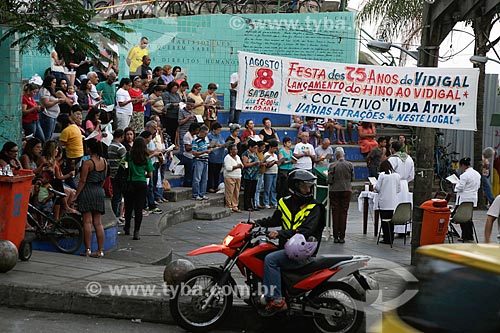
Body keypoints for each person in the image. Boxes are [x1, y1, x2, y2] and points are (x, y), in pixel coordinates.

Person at [256, 169, 325, 315]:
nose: (308, 189)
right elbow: (275, 220)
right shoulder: (284, 202)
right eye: (304, 186)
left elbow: (306, 230)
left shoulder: (315, 207)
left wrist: (280, 233)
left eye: (309, 186)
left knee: (271, 260)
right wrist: (255, 223)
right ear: (294, 187)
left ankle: (277, 300)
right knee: (263, 252)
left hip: (303, 252)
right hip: (287, 249)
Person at [75, 139, 107, 258]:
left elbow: (82, 181)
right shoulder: (104, 162)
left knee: (87, 221)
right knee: (98, 223)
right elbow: (103, 179)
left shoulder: (87, 163)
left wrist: (76, 195)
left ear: (89, 149)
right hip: (99, 191)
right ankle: (100, 250)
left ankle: (87, 249)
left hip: (87, 191)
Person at [122, 137, 154, 240]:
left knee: (128, 207)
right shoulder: (146, 158)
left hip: (130, 183)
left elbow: (122, 166)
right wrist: (143, 174)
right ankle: (137, 231)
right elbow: (150, 174)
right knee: (139, 208)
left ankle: (127, 227)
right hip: (142, 184)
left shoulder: (128, 156)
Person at [327, 147, 354, 243]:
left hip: (335, 190)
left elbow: (330, 180)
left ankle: (335, 236)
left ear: (336, 155)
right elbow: (352, 178)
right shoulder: (350, 164)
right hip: (346, 189)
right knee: (344, 212)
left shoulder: (332, 165)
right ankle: (342, 236)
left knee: (335, 212)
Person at [373, 160, 401, 244]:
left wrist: (374, 186)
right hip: (394, 202)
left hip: (384, 201)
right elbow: (398, 189)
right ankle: (391, 237)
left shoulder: (382, 175)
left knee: (384, 220)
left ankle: (386, 237)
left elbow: (377, 188)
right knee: (391, 220)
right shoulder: (397, 176)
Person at [453, 157, 481, 242]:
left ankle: (465, 235)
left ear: (463, 165)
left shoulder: (464, 175)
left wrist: (455, 186)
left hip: (464, 198)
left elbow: (460, 188)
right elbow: (478, 186)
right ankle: (469, 235)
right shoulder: (477, 174)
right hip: (473, 198)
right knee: (469, 218)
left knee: (462, 218)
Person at [59, 106, 84, 189]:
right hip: (79, 154)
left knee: (68, 177)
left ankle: (75, 192)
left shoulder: (66, 131)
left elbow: (60, 144)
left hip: (72, 156)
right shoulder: (75, 127)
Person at [108, 129, 127, 223]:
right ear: (121, 137)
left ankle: (116, 215)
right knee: (118, 196)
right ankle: (116, 215)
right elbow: (126, 160)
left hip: (112, 174)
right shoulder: (120, 147)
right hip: (119, 175)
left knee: (116, 195)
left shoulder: (110, 145)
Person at [191, 125, 212, 200]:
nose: (206, 135)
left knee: (204, 178)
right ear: (201, 132)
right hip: (198, 160)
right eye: (205, 133)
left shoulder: (205, 140)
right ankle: (195, 194)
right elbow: (194, 152)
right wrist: (204, 151)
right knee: (197, 178)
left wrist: (210, 149)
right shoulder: (195, 140)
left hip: (205, 160)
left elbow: (207, 147)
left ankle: (202, 193)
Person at [242, 140, 261, 211]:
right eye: (254, 147)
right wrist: (255, 163)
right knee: (248, 191)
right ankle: (247, 205)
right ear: (250, 147)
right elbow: (246, 164)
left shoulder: (255, 153)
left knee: (253, 190)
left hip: (255, 175)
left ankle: (253, 204)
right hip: (248, 175)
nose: (255, 149)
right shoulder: (246, 154)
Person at [223, 144, 243, 213]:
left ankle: (235, 205)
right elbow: (228, 168)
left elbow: (241, 164)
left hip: (238, 176)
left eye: (236, 149)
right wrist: (237, 166)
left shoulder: (237, 157)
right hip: (230, 177)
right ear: (230, 150)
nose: (236, 151)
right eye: (234, 149)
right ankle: (229, 205)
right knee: (229, 192)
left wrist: (240, 166)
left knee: (236, 192)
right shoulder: (227, 158)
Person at [207, 122, 225, 193]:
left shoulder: (220, 136)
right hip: (212, 157)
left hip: (219, 157)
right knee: (211, 173)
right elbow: (209, 145)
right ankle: (210, 186)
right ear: (214, 130)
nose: (219, 131)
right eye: (218, 130)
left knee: (217, 173)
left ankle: (216, 186)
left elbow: (222, 142)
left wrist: (223, 145)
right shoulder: (209, 136)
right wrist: (216, 145)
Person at [182, 122, 201, 188]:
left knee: (193, 173)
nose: (198, 131)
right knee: (188, 173)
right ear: (193, 129)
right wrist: (194, 146)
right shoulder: (187, 135)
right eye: (197, 130)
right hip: (188, 157)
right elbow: (187, 148)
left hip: (193, 156)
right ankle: (187, 185)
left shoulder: (195, 136)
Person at [263, 140, 279, 209]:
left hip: (275, 172)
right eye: (274, 148)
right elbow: (267, 164)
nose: (275, 150)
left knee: (274, 188)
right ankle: (266, 202)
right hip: (268, 173)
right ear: (270, 147)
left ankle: (274, 201)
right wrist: (273, 162)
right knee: (267, 188)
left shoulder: (275, 155)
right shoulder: (266, 154)